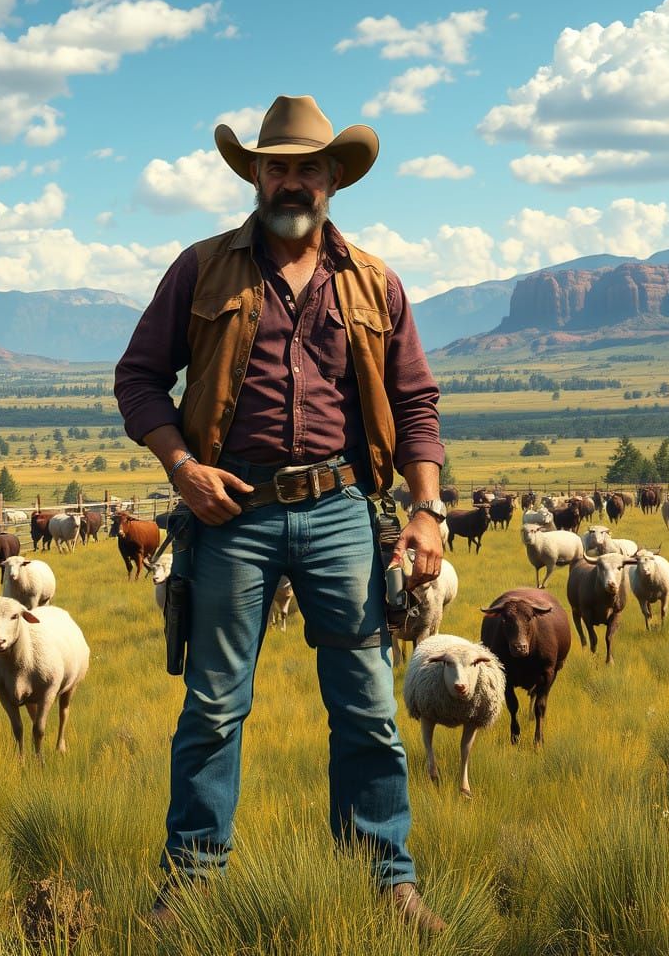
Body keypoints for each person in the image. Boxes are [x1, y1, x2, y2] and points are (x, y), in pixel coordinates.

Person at [114, 95, 448, 932]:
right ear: (255, 176)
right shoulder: (201, 267)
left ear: (334, 178)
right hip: (231, 511)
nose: (290, 180)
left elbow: (415, 401)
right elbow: (139, 379)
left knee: (367, 703)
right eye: (275, 166)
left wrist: (428, 507)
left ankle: (386, 882)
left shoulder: (373, 280)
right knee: (214, 705)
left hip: (341, 511)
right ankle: (191, 885)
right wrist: (183, 468)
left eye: (305, 167)